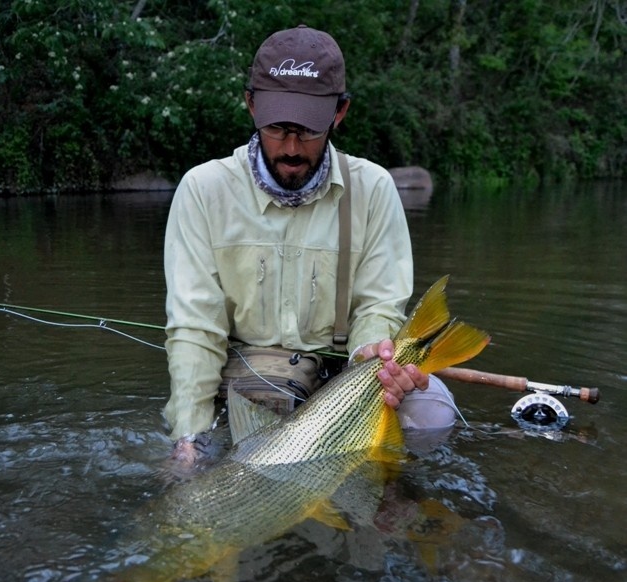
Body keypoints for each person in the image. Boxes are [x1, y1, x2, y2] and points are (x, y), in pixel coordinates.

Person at [163, 25, 455, 463]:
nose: (292, 147)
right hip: (247, 375)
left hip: (348, 374)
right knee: (213, 443)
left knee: (432, 414)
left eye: (308, 130)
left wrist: (373, 352)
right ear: (251, 105)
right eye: (278, 128)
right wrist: (188, 437)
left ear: (340, 113)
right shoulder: (203, 190)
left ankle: (385, 503)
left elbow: (378, 308)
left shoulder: (374, 189)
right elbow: (194, 330)